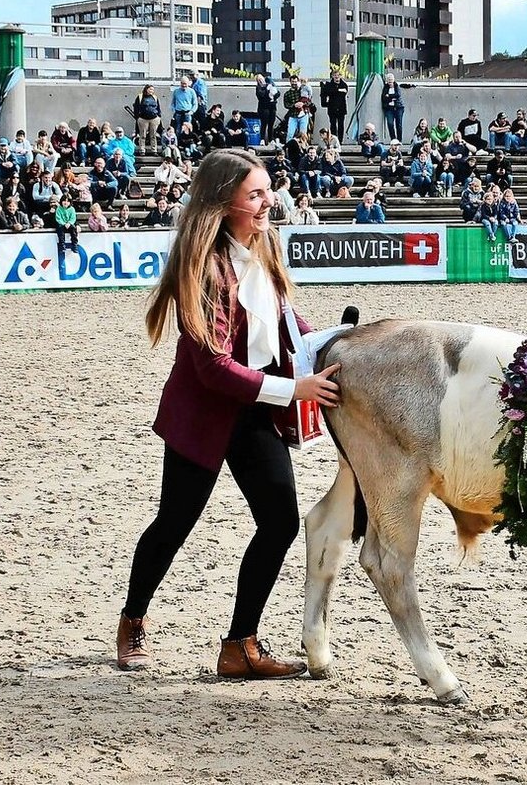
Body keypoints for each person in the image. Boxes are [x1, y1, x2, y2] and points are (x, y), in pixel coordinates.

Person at [119, 148, 342, 677]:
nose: (269, 202)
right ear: (224, 203)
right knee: (174, 524)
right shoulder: (205, 268)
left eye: (268, 190)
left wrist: (333, 344)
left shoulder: (264, 248)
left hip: (256, 408)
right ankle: (132, 620)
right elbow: (213, 370)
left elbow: (287, 320)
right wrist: (296, 389)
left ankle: (240, 645)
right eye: (256, 195)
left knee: (279, 523)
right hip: (206, 413)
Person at [133, 84, 163, 154]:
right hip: (143, 119)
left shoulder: (155, 97)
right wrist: (137, 117)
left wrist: (159, 116)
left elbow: (158, 107)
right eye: (150, 89)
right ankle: (142, 150)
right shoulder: (140, 97)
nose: (151, 91)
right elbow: (136, 108)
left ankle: (154, 150)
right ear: (146, 89)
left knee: (153, 135)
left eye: (152, 90)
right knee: (142, 135)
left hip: (154, 118)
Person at [319, 70, 348, 140]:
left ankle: (340, 140)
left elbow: (344, 92)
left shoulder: (344, 84)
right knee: (333, 125)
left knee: (341, 125)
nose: (336, 77)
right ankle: (334, 139)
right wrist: (338, 90)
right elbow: (328, 92)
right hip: (332, 108)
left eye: (338, 75)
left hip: (341, 108)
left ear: (340, 76)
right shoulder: (329, 85)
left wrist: (335, 91)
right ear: (332, 76)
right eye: (335, 75)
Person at [380, 75, 404, 142]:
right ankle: (393, 139)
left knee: (398, 125)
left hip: (398, 107)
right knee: (390, 124)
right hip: (389, 108)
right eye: (389, 82)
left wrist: (389, 96)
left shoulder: (397, 87)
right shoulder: (385, 88)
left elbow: (398, 95)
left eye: (391, 82)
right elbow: (384, 98)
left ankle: (399, 140)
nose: (390, 83)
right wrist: (392, 98)